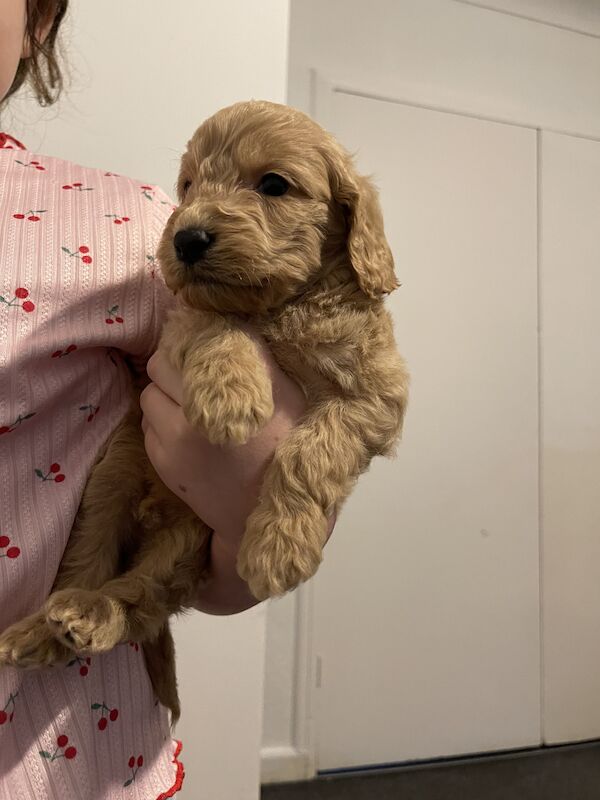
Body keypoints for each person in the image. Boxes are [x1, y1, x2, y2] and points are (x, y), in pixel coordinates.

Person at [0, 2, 330, 797]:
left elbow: (285, 403)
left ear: (39, 21)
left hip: (55, 749)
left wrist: (256, 499)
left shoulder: (125, 230)